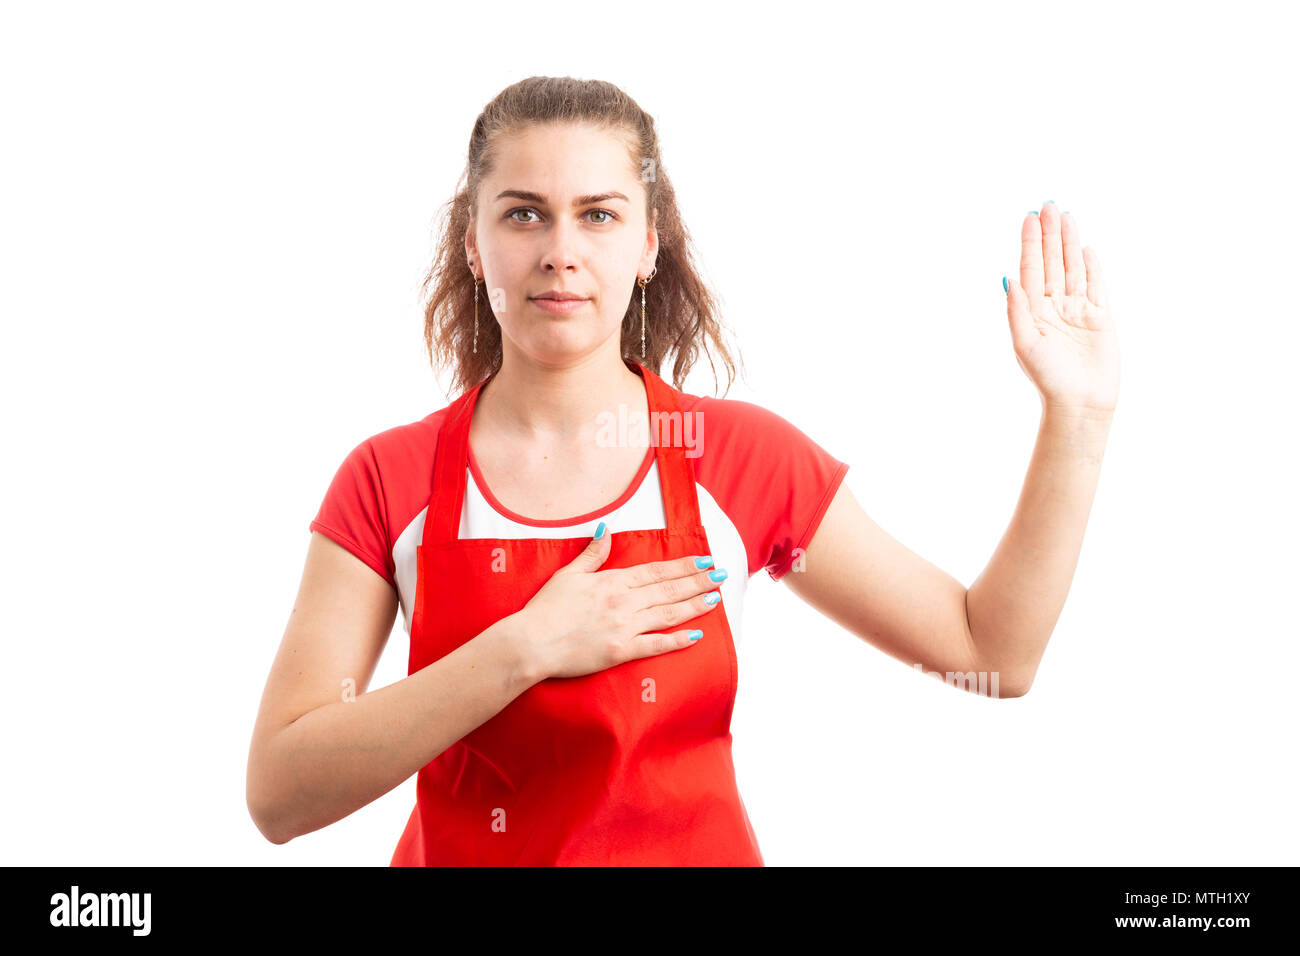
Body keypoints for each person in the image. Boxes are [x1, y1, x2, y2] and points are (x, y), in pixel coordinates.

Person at [245, 77, 1120, 866]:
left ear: (648, 245)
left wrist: (1076, 419)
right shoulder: (387, 480)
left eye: (599, 214)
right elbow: (281, 794)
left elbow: (990, 654)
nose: (560, 250)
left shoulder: (736, 459)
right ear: (473, 245)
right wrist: (523, 649)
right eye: (522, 213)